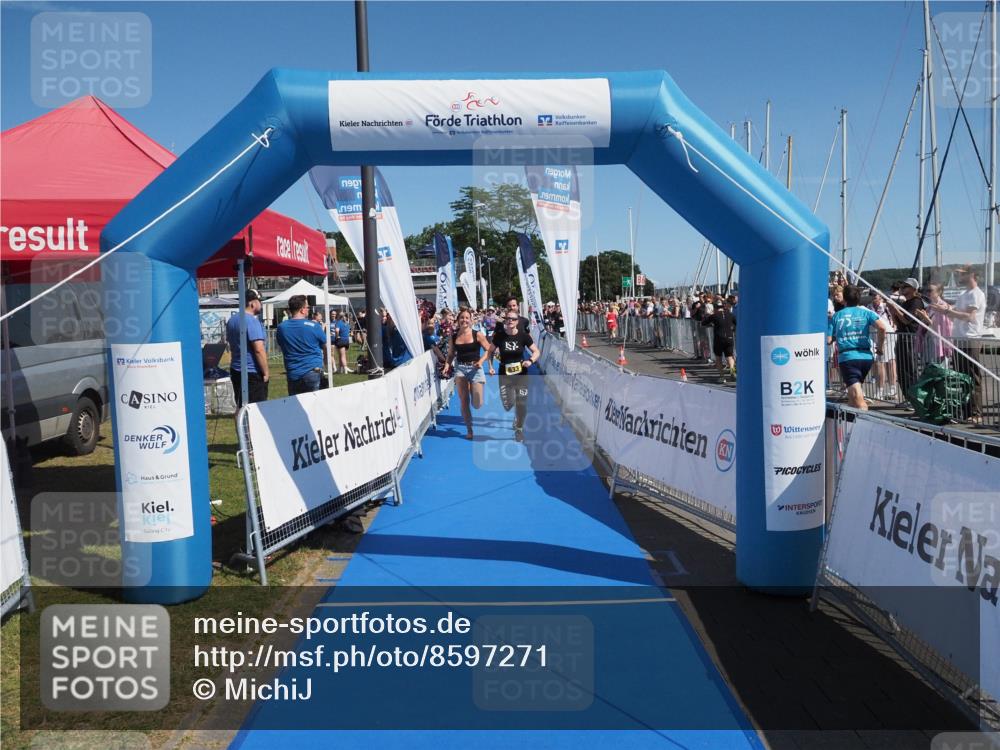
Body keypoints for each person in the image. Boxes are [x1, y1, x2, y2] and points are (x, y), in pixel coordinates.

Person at [939, 264, 987, 424]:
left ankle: (976, 412)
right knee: (962, 377)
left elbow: (970, 317)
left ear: (971, 275)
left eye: (962, 274)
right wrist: (946, 310)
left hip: (970, 338)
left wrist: (947, 311)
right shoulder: (964, 294)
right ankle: (965, 411)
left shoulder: (976, 294)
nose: (959, 276)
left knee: (973, 376)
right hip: (959, 339)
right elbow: (956, 317)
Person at [828, 285, 888, 411]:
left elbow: (829, 340)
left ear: (844, 298)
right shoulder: (866, 312)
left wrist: (835, 335)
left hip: (848, 358)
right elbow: (882, 328)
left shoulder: (837, 316)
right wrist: (880, 347)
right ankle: (851, 424)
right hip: (866, 357)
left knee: (859, 400)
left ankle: (866, 423)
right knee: (852, 396)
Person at [487, 309, 540, 441]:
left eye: (513, 319)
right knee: (508, 404)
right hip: (504, 374)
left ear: (517, 321)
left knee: (521, 403)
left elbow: (536, 351)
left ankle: (519, 429)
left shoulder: (523, 336)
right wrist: (490, 367)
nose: (510, 321)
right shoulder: (499, 336)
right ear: (505, 320)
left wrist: (530, 361)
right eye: (508, 319)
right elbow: (490, 352)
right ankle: (516, 415)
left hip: (521, 374)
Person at [441, 309, 492, 439]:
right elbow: (451, 353)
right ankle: (469, 430)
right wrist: (447, 364)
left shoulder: (478, 334)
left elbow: (489, 350)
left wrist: (481, 361)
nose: (464, 320)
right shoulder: (453, 336)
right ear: (458, 320)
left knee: (477, 403)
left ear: (471, 320)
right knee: (464, 401)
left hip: (475, 368)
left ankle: (474, 389)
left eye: (467, 318)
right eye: (462, 318)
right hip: (460, 369)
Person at [225, 289, 269, 408]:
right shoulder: (251, 321)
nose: (261, 305)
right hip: (252, 372)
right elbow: (258, 349)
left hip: (236, 369)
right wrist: (266, 372)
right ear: (252, 303)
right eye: (260, 302)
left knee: (241, 406)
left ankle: (241, 427)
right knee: (256, 409)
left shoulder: (232, 320)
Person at [276, 294, 327, 395]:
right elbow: (326, 347)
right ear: (302, 310)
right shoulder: (314, 326)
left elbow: (281, 345)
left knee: (296, 406)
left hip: (293, 372)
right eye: (307, 307)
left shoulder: (282, 328)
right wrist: (325, 363)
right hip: (313, 371)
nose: (308, 310)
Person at [890, 277, 932, 400]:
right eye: (902, 287)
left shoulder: (916, 301)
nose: (903, 289)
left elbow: (907, 320)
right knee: (902, 370)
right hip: (902, 337)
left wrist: (896, 309)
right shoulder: (905, 303)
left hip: (910, 338)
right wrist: (892, 311)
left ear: (914, 289)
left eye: (906, 287)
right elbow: (899, 323)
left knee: (910, 369)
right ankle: (908, 397)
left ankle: (914, 399)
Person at [701, 296, 737, 382]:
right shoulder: (730, 315)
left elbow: (703, 323)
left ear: (716, 308)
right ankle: (732, 371)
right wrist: (732, 329)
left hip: (719, 338)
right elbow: (736, 323)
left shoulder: (714, 316)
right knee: (729, 356)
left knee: (718, 357)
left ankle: (722, 377)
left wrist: (708, 317)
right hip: (729, 337)